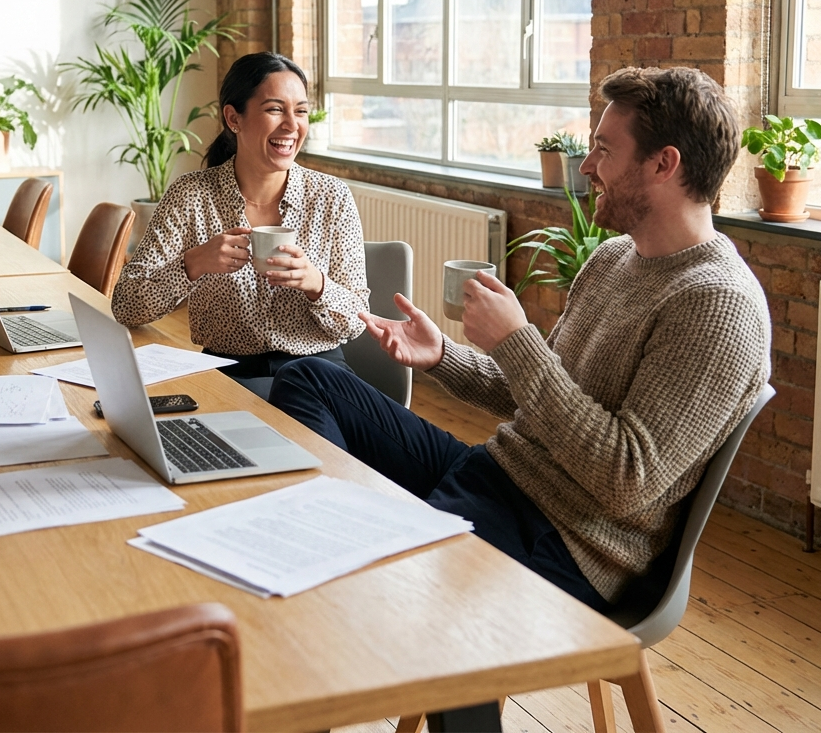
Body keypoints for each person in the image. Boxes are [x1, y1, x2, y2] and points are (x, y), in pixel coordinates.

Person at [271, 66, 771, 611]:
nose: (586, 167)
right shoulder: (611, 260)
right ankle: (337, 544)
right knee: (309, 378)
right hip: (498, 475)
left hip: (566, 538)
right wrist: (441, 355)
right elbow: (537, 398)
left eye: (604, 149)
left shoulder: (717, 304)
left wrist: (516, 342)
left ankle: (365, 572)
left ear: (663, 163)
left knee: (432, 597)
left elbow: (626, 479)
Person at [112, 52, 368, 395]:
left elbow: (356, 320)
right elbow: (126, 305)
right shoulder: (191, 196)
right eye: (275, 109)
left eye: (301, 110)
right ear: (234, 118)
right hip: (230, 375)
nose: (292, 124)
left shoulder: (332, 197)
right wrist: (193, 264)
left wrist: (316, 283)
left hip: (319, 374)